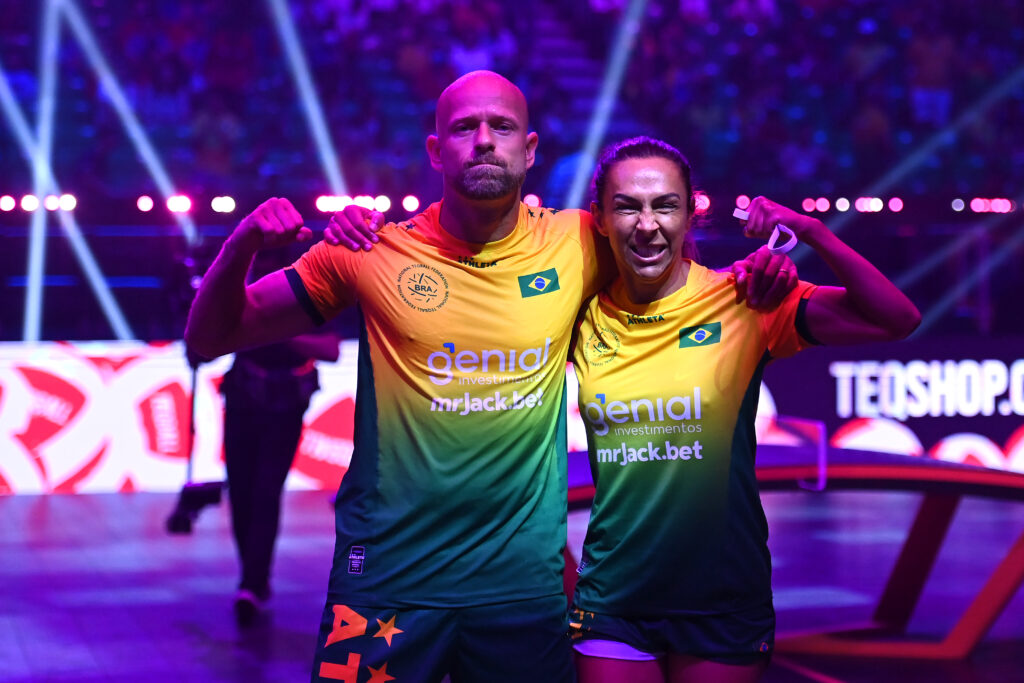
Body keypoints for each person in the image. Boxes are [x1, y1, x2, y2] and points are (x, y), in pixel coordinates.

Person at [186, 71, 793, 682]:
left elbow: (666, 248)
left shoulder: (581, 241)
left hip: (525, 597)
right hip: (384, 586)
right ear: (434, 150)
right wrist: (240, 245)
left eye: (501, 127)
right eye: (464, 127)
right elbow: (210, 336)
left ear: (528, 150)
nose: (483, 141)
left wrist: (759, 272)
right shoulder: (366, 251)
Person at [566, 136, 920, 682]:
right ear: (602, 218)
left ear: (690, 215)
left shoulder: (745, 300)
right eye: (627, 206)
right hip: (614, 596)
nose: (647, 223)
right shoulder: (580, 316)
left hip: (723, 595)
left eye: (665, 205)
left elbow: (896, 318)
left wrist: (812, 232)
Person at [219, 248, 340, 626]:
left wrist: (280, 333)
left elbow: (330, 349)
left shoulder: (313, 292)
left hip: (286, 405)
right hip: (243, 398)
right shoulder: (242, 291)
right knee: (240, 491)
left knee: (265, 491)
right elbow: (210, 340)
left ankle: (252, 582)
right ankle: (253, 579)